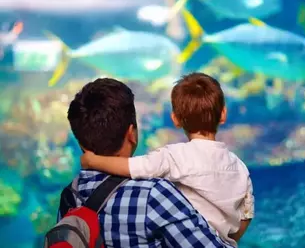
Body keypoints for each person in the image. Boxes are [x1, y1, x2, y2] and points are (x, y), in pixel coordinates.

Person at [81, 73, 255, 247]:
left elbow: (132, 167)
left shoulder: (173, 156)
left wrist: (93, 161)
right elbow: (246, 216)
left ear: (176, 119)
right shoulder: (239, 166)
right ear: (223, 114)